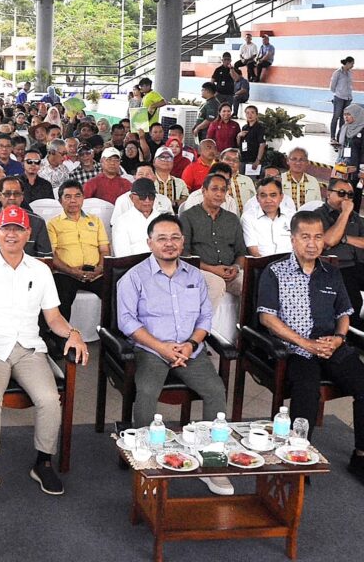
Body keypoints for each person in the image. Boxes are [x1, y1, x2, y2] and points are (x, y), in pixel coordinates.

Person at [0, 205, 88, 500]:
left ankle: (43, 462)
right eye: (6, 228)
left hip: (29, 348)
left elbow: (53, 318)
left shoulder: (40, 270)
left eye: (18, 229)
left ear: (28, 233)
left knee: (50, 399)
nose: (11, 234)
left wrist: (74, 334)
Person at [116, 213, 233, 495]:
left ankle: (212, 462)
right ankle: (148, 466)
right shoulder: (135, 277)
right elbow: (127, 321)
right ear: (150, 242)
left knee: (216, 391)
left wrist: (191, 344)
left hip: (189, 349)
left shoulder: (195, 276)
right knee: (146, 392)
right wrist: (161, 347)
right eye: (162, 238)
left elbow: (205, 316)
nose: (169, 244)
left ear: (183, 242)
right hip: (152, 350)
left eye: (175, 238)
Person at [259, 210, 364, 484]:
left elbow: (344, 312)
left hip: (329, 344)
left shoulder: (331, 272)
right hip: (296, 349)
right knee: (307, 392)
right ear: (293, 240)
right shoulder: (275, 272)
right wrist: (305, 343)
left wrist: (339, 338)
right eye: (305, 237)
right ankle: (297, 457)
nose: (312, 243)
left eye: (318, 237)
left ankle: (361, 456)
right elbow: (267, 317)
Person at [180, 174, 246, 311]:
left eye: (223, 190)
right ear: (204, 191)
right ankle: (201, 330)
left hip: (229, 272)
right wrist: (212, 269)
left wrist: (235, 268)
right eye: (214, 189)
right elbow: (184, 255)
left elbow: (241, 252)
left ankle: (246, 329)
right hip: (200, 270)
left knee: (248, 282)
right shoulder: (188, 217)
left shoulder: (232, 219)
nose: (219, 194)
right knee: (216, 283)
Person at [48, 180, 109, 322]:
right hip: (66, 274)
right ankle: (63, 339)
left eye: (77, 196)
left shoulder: (96, 220)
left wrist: (99, 269)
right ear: (60, 200)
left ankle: (110, 336)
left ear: (83, 198)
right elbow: (52, 255)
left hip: (96, 273)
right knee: (61, 295)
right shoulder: (53, 224)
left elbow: (105, 249)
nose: (73, 200)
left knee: (114, 294)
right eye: (68, 197)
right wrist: (72, 271)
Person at [319, 178, 364, 329]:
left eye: (350, 195)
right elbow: (329, 241)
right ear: (328, 193)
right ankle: (352, 334)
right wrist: (344, 213)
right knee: (354, 301)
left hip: (358, 264)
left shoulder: (356, 218)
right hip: (337, 266)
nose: (346, 198)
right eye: (341, 193)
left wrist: (344, 238)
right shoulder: (318, 215)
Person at [0, 174, 53, 257]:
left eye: (17, 194)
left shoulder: (37, 222)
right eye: (7, 194)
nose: (12, 197)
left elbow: (45, 257)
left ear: (22, 197)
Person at [112, 179, 166, 257]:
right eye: (142, 196)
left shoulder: (163, 220)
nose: (147, 200)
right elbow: (122, 256)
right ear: (131, 197)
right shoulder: (122, 222)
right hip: (132, 266)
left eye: (151, 196)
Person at [241, 176, 292, 257]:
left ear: (281, 197)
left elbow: (298, 245)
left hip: (290, 265)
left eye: (273, 195)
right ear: (257, 198)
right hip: (262, 265)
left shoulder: (291, 215)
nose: (268, 200)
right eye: (263, 196)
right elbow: (253, 250)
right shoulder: (248, 217)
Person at [238, 105, 266, 175]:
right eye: (247, 113)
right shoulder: (245, 127)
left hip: (253, 159)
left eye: (252, 113)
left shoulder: (260, 128)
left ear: (256, 115)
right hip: (243, 158)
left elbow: (262, 144)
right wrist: (238, 136)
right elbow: (239, 144)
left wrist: (257, 160)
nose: (250, 115)